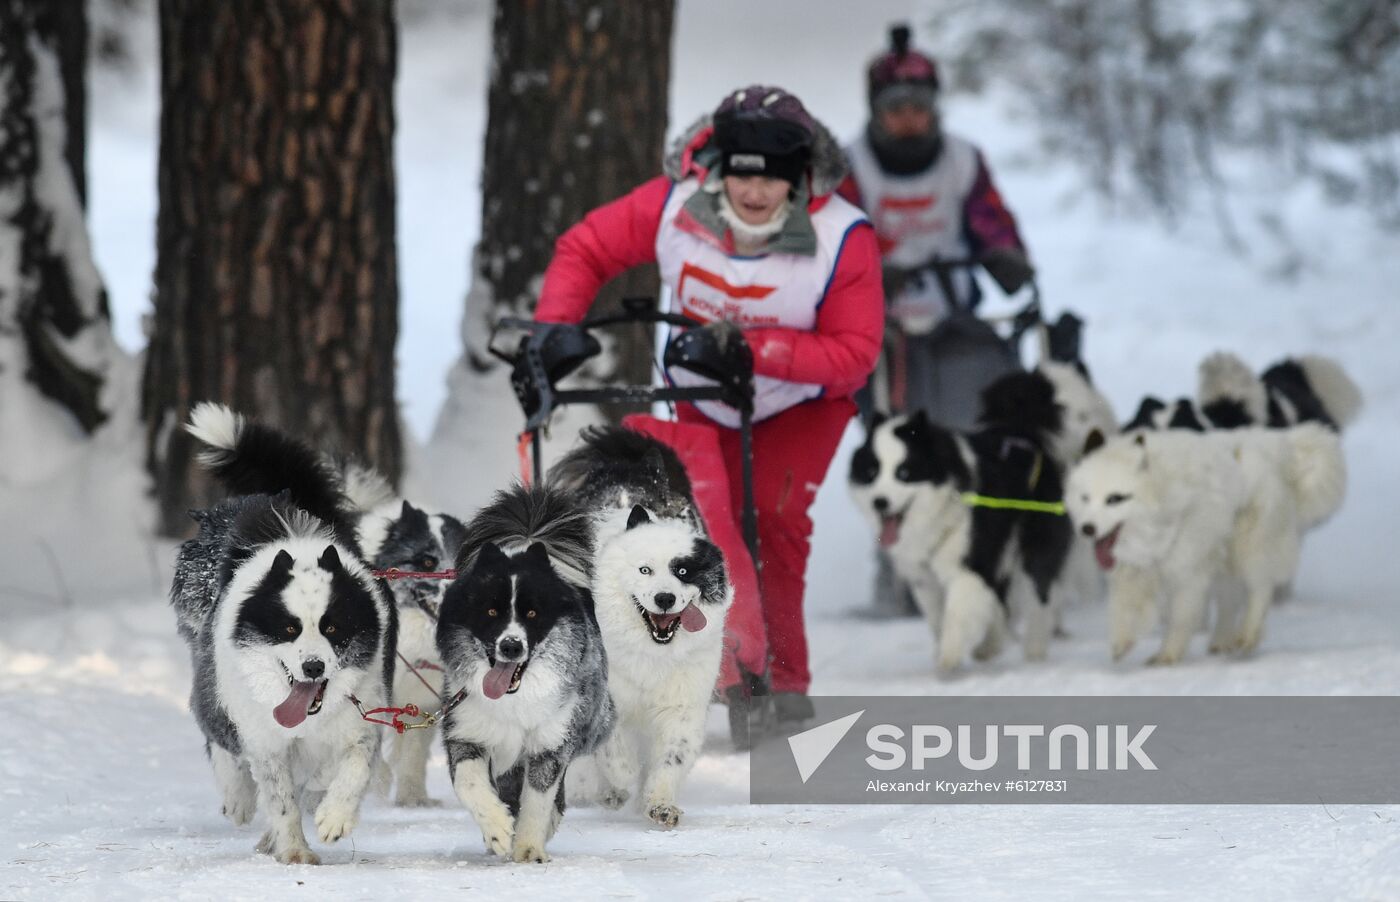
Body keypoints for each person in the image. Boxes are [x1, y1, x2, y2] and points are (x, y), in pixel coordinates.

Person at [534, 86, 883, 733]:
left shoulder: (843, 237)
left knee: (772, 521)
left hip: (800, 401)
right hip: (700, 395)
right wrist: (555, 324)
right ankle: (727, 676)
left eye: (773, 180)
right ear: (719, 167)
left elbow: (855, 352)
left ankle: (784, 683)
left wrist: (752, 348)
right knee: (699, 523)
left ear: (800, 177)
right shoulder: (672, 206)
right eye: (741, 175)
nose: (754, 194)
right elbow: (585, 248)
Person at [840, 25, 1035, 617]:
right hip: (881, 330)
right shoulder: (850, 169)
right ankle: (895, 567)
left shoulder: (962, 161)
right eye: (895, 109)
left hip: (954, 321)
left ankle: (991, 547)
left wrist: (1005, 255)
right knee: (892, 441)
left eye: (919, 108)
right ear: (876, 111)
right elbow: (834, 242)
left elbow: (992, 221)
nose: (908, 120)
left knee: (981, 421)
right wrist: (871, 270)